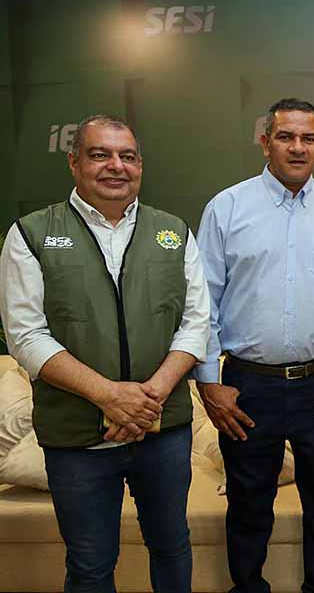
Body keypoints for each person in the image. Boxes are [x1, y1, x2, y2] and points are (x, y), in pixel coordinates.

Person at [0, 114, 210, 593]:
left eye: (127, 156)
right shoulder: (31, 234)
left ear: (140, 166)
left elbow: (196, 323)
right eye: (100, 155)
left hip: (162, 430)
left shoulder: (173, 231)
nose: (116, 166)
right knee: (91, 565)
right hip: (77, 436)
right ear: (74, 162)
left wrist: (148, 399)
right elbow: (26, 336)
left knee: (172, 546)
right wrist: (110, 397)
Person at [194, 98, 314, 593]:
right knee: (247, 504)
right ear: (265, 142)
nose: (297, 147)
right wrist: (209, 384)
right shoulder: (226, 208)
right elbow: (201, 305)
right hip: (246, 387)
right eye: (285, 136)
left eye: (308, 138)